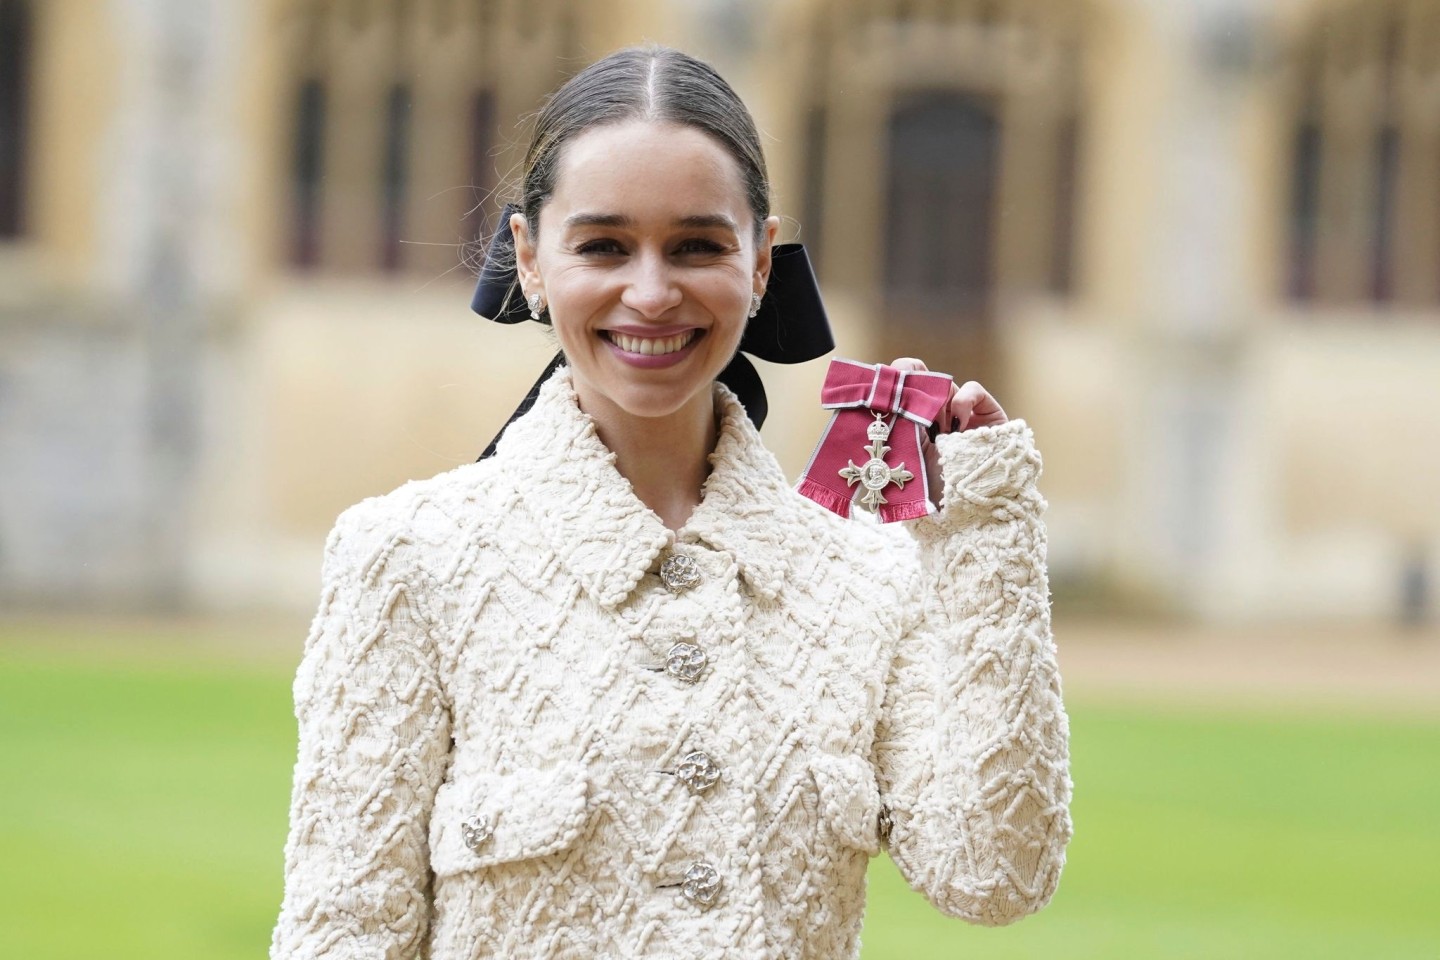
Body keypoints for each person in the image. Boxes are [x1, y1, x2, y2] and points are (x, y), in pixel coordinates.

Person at [270, 44, 1071, 960]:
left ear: (763, 262)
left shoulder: (868, 574)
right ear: (530, 261)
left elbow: (995, 876)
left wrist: (983, 530)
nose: (651, 293)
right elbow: (341, 938)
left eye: (697, 246)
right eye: (604, 246)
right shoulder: (406, 557)